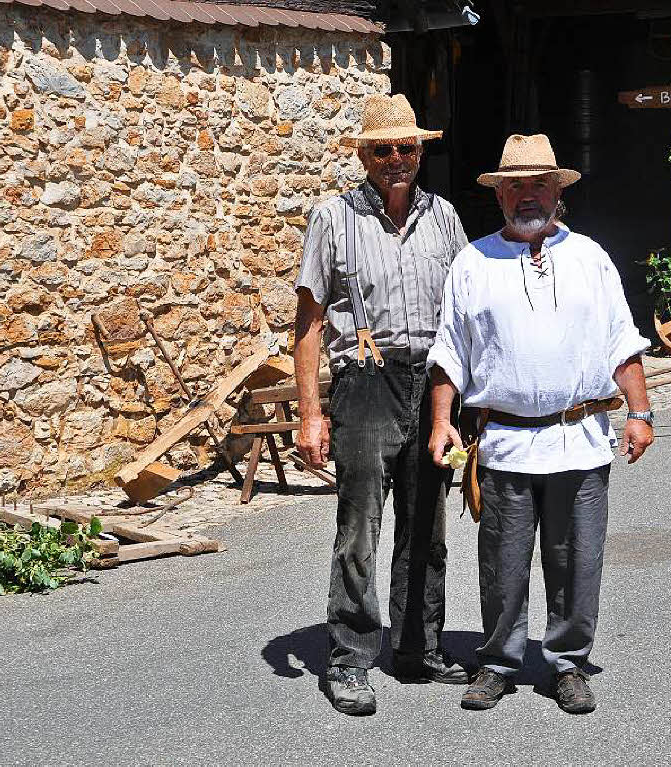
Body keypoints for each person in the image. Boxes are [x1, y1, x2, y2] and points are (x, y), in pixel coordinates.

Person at [426, 134, 655, 714]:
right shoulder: (473, 261)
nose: (528, 195)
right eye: (516, 186)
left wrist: (640, 411)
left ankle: (568, 663)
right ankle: (499, 661)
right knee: (501, 561)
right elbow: (449, 353)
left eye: (539, 184)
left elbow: (621, 342)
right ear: (500, 195)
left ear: (558, 191)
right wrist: (441, 423)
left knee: (577, 559)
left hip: (578, 440)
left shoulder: (590, 258)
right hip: (504, 442)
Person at [293, 93, 470, 716]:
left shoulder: (444, 217)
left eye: (408, 147)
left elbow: (468, 309)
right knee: (360, 527)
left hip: (432, 382)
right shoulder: (333, 219)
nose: (398, 158)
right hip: (365, 378)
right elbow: (309, 322)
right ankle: (349, 657)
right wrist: (312, 412)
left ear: (421, 152)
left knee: (428, 523)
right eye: (384, 148)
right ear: (365, 155)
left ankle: (418, 647)